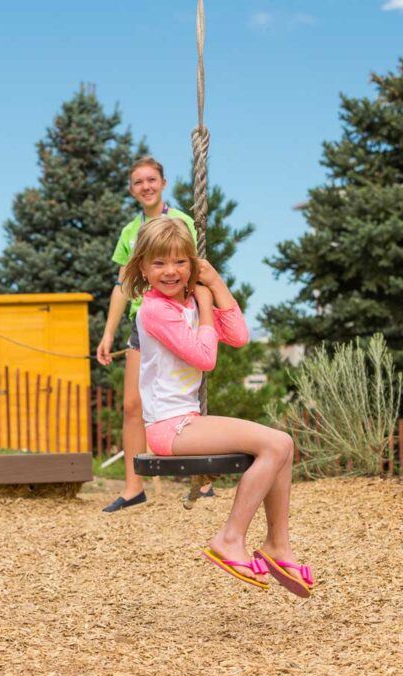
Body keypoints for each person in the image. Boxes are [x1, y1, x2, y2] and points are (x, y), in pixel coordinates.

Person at [125, 217, 314, 597]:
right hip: (169, 427)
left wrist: (215, 284)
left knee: (282, 446)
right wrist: (206, 307)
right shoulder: (155, 311)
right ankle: (230, 538)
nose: (170, 271)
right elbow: (205, 357)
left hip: (187, 420)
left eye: (180, 262)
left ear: (192, 266)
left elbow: (240, 337)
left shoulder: (190, 301)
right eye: (159, 263)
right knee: (276, 444)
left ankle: (278, 544)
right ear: (143, 267)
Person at [96, 156, 212, 512]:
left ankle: (203, 478)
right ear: (132, 190)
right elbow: (122, 285)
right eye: (138, 182)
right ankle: (134, 486)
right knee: (133, 404)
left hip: (177, 315)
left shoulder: (182, 222)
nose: (145, 186)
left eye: (151, 180)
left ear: (163, 182)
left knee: (186, 393)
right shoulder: (130, 233)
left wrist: (204, 308)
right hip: (142, 322)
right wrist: (107, 332)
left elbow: (193, 269)